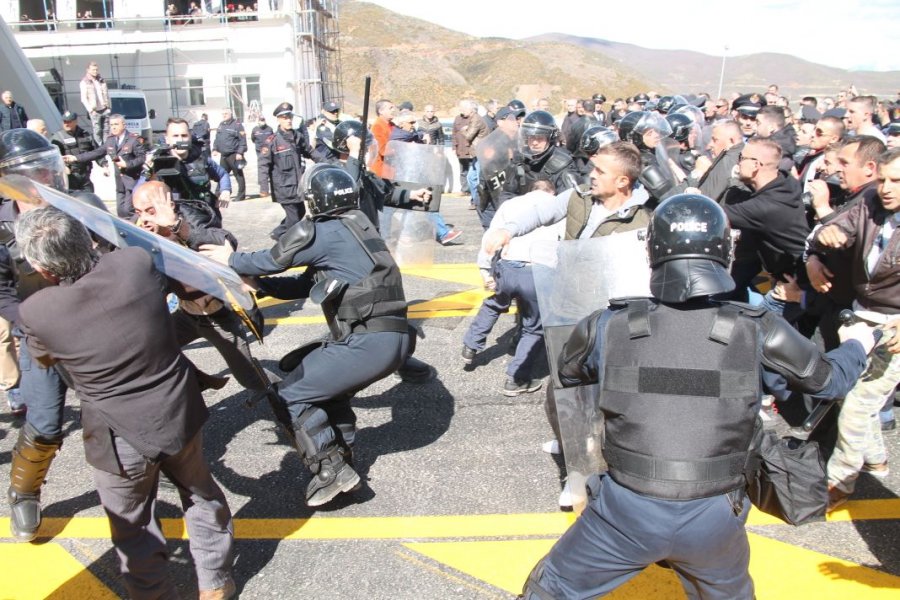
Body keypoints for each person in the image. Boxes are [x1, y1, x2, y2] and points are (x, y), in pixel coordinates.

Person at [520, 193, 875, 600]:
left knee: (550, 590)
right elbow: (829, 381)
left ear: (653, 252)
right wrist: (858, 343)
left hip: (626, 509)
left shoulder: (607, 324)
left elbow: (569, 372)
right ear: (724, 251)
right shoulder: (757, 327)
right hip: (715, 513)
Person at [15, 207, 236, 600]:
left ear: (42, 268)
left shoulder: (38, 310)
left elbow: (45, 359)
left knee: (134, 529)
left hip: (120, 434)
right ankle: (216, 583)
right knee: (201, 494)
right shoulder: (134, 263)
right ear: (84, 238)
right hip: (176, 407)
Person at [201, 166, 412, 507]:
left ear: (314, 201)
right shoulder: (359, 227)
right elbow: (303, 285)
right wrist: (261, 286)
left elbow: (270, 260)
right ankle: (344, 461)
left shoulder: (322, 231)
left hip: (367, 342)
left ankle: (332, 470)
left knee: (289, 394)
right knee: (328, 393)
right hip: (392, 338)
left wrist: (231, 259)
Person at [810, 148, 900, 509]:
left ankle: (839, 482)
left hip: (894, 325)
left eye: (897, 181)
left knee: (858, 405)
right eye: (883, 180)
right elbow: (835, 228)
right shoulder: (869, 202)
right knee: (855, 393)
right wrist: (826, 236)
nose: (887, 188)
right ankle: (876, 458)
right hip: (861, 317)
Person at [0, 129, 71, 542]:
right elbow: (2, 292)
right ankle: (24, 492)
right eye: (33, 172)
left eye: (46, 169)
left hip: (91, 332)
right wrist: (30, 322)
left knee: (118, 412)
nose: (44, 178)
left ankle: (151, 469)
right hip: (38, 337)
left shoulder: (79, 208)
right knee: (43, 423)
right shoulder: (1, 227)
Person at [132, 181, 268, 394]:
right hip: (186, 314)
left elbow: (221, 239)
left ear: (170, 205)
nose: (144, 219)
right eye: (138, 212)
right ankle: (196, 380)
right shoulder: (144, 230)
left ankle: (292, 403)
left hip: (218, 318)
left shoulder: (191, 220)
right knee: (150, 350)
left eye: (150, 211)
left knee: (250, 379)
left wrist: (176, 225)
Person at [463, 182, 561, 396]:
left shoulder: (511, 204)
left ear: (532, 189)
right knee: (533, 326)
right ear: (552, 192)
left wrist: (485, 270)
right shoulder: (558, 206)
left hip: (507, 266)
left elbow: (491, 236)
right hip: (538, 270)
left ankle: (471, 345)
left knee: (495, 303)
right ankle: (516, 379)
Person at [136, 117, 232, 229]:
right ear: (167, 139)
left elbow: (223, 174)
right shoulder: (156, 162)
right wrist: (148, 170)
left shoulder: (201, 158)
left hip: (205, 218)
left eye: (184, 135)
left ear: (190, 137)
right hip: (175, 223)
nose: (180, 139)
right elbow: (137, 192)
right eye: (175, 136)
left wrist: (225, 191)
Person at [70, 113, 147, 218]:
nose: (113, 127)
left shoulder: (133, 139)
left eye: (116, 124)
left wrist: (127, 164)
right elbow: (96, 153)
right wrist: (75, 158)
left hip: (132, 181)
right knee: (120, 211)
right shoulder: (110, 140)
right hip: (120, 183)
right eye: (111, 125)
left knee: (128, 210)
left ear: (123, 125)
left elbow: (142, 158)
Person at [259, 102, 313, 239]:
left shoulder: (297, 137)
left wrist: (331, 163)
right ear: (278, 119)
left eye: (289, 117)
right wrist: (264, 187)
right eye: (284, 118)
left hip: (297, 185)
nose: (288, 120)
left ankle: (278, 233)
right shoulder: (272, 141)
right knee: (294, 217)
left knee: (300, 212)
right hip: (283, 187)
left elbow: (311, 152)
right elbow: (263, 165)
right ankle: (284, 239)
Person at [51, 111, 100, 192]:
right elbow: (54, 157)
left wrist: (104, 164)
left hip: (85, 174)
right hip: (70, 176)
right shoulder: (57, 138)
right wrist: (63, 167)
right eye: (64, 122)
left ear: (75, 121)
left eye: (69, 122)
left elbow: (95, 151)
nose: (66, 124)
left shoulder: (85, 135)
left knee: (89, 195)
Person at [452, 99, 488, 195]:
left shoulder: (476, 119)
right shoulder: (471, 118)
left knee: (477, 177)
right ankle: (475, 198)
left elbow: (469, 136)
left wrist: (464, 130)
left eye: (465, 108)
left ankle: (480, 198)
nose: (463, 110)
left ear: (471, 110)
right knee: (471, 177)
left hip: (479, 151)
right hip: (474, 152)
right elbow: (454, 133)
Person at [213, 108, 247, 202]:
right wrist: (215, 149)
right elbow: (217, 139)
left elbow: (242, 140)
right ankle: (218, 194)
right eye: (223, 114)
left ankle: (241, 195)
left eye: (226, 114)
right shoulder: (221, 125)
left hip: (234, 155)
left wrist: (240, 152)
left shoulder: (237, 125)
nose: (224, 115)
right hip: (224, 155)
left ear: (231, 114)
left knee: (238, 175)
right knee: (221, 175)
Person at [79, 62, 110, 145]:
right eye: (93, 70)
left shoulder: (101, 80)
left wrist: (108, 107)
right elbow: (83, 98)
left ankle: (106, 147)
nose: (95, 71)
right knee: (97, 130)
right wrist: (91, 110)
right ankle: (99, 147)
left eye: (96, 70)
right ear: (88, 70)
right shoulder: (84, 82)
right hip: (95, 110)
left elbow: (107, 94)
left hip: (104, 108)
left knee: (106, 130)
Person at [250, 116, 273, 196]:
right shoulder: (255, 129)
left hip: (269, 151)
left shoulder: (269, 129)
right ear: (258, 121)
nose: (262, 121)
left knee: (269, 168)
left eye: (263, 120)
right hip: (259, 151)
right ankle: (264, 189)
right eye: (260, 120)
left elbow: (273, 138)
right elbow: (253, 139)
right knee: (262, 169)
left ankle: (268, 188)